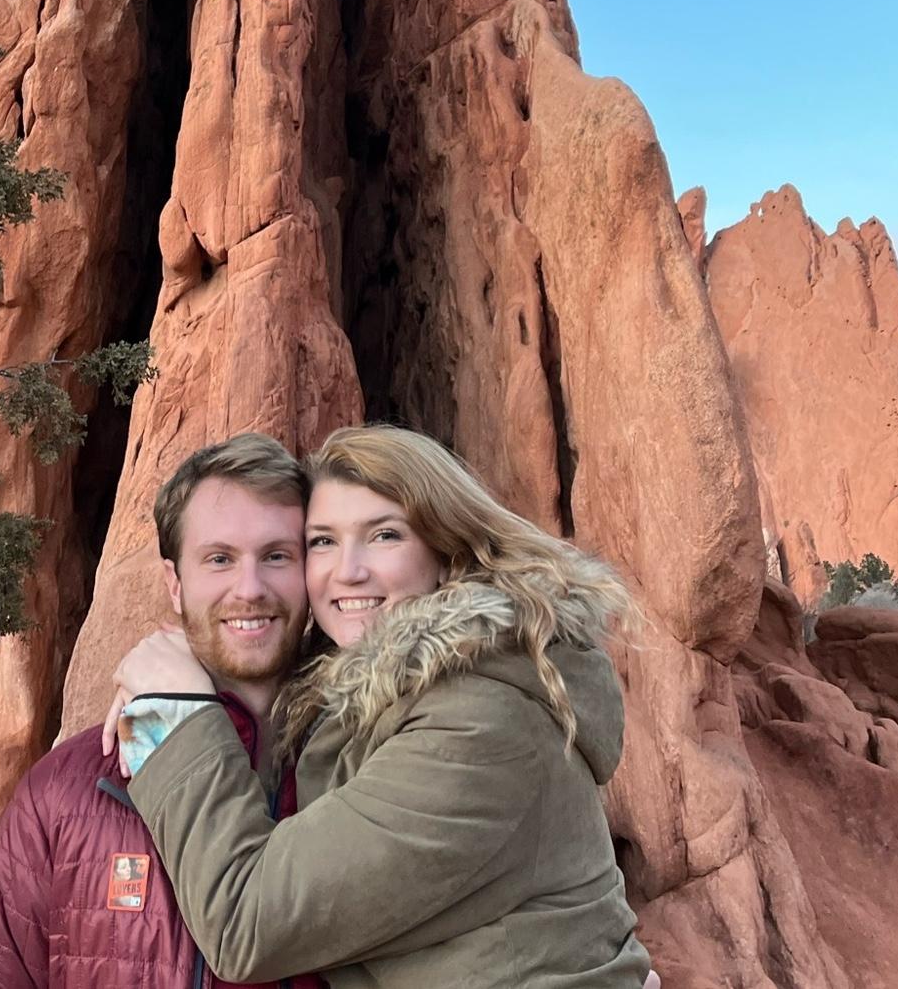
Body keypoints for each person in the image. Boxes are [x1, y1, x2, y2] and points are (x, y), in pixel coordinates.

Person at [107, 423, 656, 988]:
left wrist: (168, 713)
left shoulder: (481, 725)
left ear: (446, 553)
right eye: (322, 541)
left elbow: (246, 922)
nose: (348, 570)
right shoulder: (384, 695)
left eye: (384, 535)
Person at [0, 432, 325, 989]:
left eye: (276, 556)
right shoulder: (63, 794)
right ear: (174, 584)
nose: (250, 588)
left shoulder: (362, 772)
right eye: (219, 559)